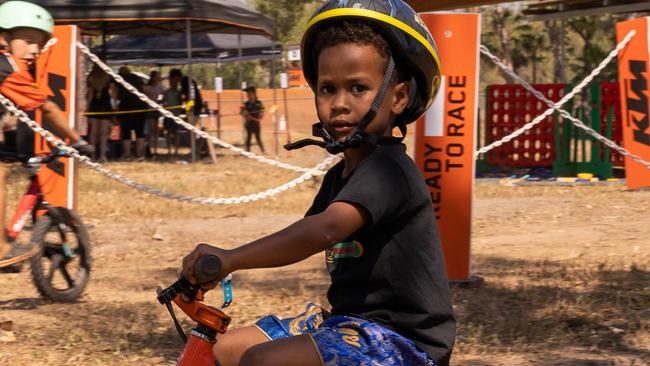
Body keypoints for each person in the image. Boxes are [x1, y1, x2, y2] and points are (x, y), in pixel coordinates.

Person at [179, 1, 455, 365]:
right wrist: (216, 269)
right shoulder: (339, 177)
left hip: (403, 342)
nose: (339, 104)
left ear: (399, 97)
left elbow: (322, 231)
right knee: (227, 349)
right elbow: (300, 238)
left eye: (358, 88)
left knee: (265, 361)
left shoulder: (389, 171)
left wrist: (231, 259)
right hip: (348, 324)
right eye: (328, 89)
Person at [0, 1, 93, 270]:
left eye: (39, 44)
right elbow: (47, 108)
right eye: (28, 41)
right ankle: (3, 248)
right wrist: (77, 140)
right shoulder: (8, 70)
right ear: (4, 36)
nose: (34, 50)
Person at [115, 66, 147, 161]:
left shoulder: (118, 78)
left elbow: (115, 94)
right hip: (140, 105)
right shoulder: (136, 77)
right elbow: (143, 90)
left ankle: (127, 155)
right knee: (139, 131)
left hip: (126, 106)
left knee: (126, 131)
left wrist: (116, 107)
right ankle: (140, 155)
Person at [86, 64, 113, 162]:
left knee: (93, 132)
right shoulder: (108, 77)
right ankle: (102, 155)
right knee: (103, 133)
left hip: (94, 106)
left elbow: (90, 95)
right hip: (105, 106)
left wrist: (87, 109)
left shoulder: (91, 78)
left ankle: (92, 155)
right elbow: (112, 93)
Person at [162, 69, 183, 156]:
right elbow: (164, 101)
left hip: (176, 114)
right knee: (168, 132)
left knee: (176, 132)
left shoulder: (178, 92)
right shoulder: (167, 92)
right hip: (168, 114)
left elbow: (180, 102)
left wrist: (178, 110)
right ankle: (169, 150)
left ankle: (176, 150)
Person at [240, 86, 265, 153]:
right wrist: (244, 112)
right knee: (249, 137)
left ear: (253, 93)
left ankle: (263, 151)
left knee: (258, 138)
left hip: (256, 123)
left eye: (249, 93)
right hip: (249, 124)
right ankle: (247, 152)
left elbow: (262, 110)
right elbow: (242, 113)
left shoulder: (259, 103)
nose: (247, 95)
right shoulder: (246, 103)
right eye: (247, 93)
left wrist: (261, 115)